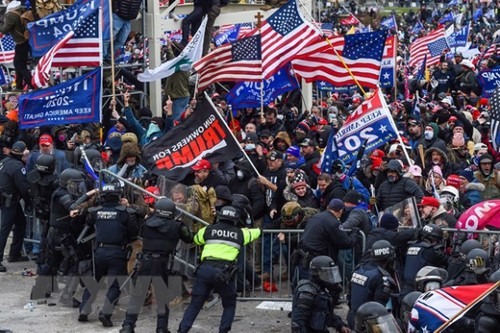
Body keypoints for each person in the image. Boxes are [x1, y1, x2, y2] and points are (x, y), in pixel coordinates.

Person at [177, 205, 261, 333]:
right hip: (224, 274)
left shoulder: (208, 229)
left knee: (195, 304)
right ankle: (223, 330)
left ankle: (182, 330)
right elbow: (258, 232)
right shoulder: (241, 233)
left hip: (204, 271)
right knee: (229, 305)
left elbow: (195, 239)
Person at [120, 198, 193, 333]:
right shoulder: (177, 226)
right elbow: (189, 238)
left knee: (137, 296)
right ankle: (161, 328)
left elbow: (141, 233)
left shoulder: (147, 223)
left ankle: (128, 325)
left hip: (145, 262)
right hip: (162, 263)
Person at [78, 184, 140, 327]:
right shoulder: (125, 212)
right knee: (115, 285)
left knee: (94, 281)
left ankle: (84, 310)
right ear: (118, 196)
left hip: (99, 252)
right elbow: (133, 233)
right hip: (117, 252)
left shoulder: (95, 212)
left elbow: (88, 222)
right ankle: (105, 313)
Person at [348, 240, 400, 328]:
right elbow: (379, 308)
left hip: (353, 317)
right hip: (368, 323)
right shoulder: (381, 277)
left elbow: (350, 296)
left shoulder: (358, 269)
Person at [291, 255, 349, 333]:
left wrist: (340, 326)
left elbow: (325, 314)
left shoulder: (322, 290)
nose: (330, 277)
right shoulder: (307, 293)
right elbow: (297, 323)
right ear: (317, 273)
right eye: (327, 273)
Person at [0, 141, 30, 272]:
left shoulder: (5, 161)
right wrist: (29, 202)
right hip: (9, 201)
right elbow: (24, 188)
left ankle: (15, 253)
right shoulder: (18, 167)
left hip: (7, 198)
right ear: (23, 152)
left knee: (21, 223)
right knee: (4, 230)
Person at [0, 0, 33, 91]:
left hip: (20, 43)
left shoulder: (11, 15)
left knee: (20, 66)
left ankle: (32, 83)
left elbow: (4, 30)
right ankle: (19, 85)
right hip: (24, 42)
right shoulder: (19, 11)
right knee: (18, 64)